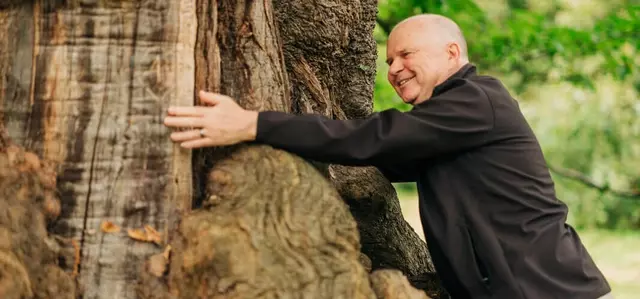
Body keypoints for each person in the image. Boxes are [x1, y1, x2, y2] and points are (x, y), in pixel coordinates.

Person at [163, 14, 613, 299]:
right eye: (389, 59)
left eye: (406, 54)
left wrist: (253, 124)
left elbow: (373, 138)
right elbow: (376, 151)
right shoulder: (448, 126)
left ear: (452, 53)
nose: (393, 68)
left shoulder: (478, 101)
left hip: (544, 288)